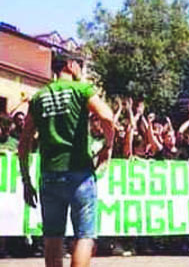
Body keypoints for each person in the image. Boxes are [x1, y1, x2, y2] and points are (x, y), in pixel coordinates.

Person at [18, 51, 114, 267]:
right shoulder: (82, 89)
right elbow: (107, 117)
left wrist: (26, 179)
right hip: (80, 172)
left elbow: (24, 143)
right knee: (84, 236)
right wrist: (107, 146)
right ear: (71, 65)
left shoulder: (38, 97)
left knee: (53, 238)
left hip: (49, 174)